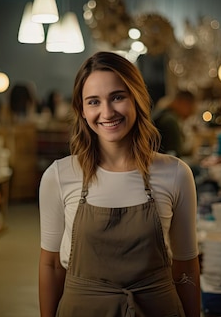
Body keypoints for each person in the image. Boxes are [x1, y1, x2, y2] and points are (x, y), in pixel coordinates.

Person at [38, 51, 200, 317]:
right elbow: (52, 265)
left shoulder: (175, 174)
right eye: (93, 102)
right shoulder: (59, 176)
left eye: (117, 97)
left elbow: (186, 268)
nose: (107, 112)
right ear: (82, 110)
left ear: (136, 98)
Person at [152, 90, 197, 157]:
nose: (191, 112)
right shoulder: (170, 121)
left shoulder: (163, 115)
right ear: (183, 103)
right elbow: (174, 155)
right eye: (191, 107)